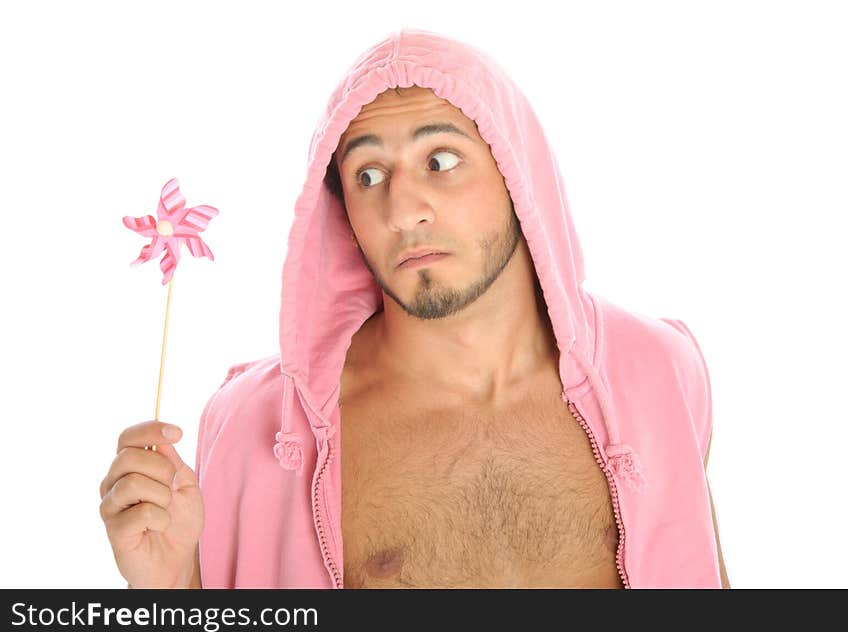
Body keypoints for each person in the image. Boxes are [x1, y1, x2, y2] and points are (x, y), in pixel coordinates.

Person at [99, 27, 730, 589]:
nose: (404, 211)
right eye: (368, 175)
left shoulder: (660, 372)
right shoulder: (255, 428)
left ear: (517, 173)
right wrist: (166, 588)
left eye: (442, 160)